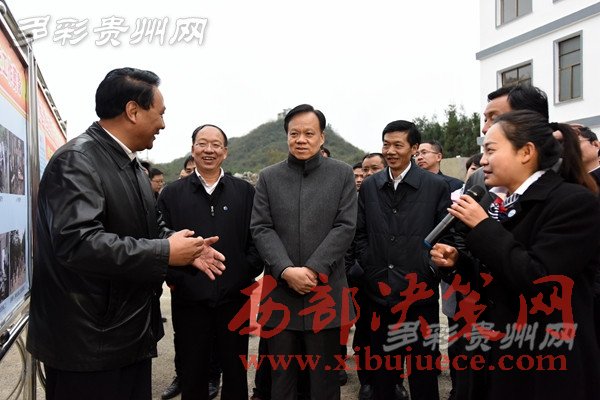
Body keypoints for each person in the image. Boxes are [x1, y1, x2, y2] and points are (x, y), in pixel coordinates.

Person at [26, 67, 226, 400]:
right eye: (160, 113)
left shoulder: (131, 165)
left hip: (125, 336)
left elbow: (149, 227)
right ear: (133, 111)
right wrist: (165, 252)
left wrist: (185, 247)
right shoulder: (77, 161)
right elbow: (78, 243)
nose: (163, 124)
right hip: (88, 346)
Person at [430, 110, 600, 400]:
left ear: (526, 152)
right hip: (497, 352)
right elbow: (499, 275)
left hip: (545, 360)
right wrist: (459, 263)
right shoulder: (505, 203)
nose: (483, 161)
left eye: (491, 150)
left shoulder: (573, 202)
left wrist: (483, 227)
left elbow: (540, 280)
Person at [251, 104, 357, 400]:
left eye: (309, 133)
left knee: (324, 383)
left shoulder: (342, 174)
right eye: (294, 133)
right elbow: (261, 227)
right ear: (286, 136)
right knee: (282, 381)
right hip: (280, 295)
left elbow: (345, 226)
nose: (301, 139)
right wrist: (286, 270)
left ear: (322, 137)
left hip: (324, 292)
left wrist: (312, 270)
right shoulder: (269, 177)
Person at [158, 124, 263, 400]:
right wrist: (180, 280)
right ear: (193, 149)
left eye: (216, 145)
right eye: (202, 143)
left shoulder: (245, 192)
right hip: (190, 299)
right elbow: (160, 239)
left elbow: (257, 239)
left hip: (235, 299)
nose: (209, 150)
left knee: (235, 371)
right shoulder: (172, 194)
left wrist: (242, 274)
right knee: (193, 372)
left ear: (225, 152)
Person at [355, 120, 450, 400]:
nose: (390, 151)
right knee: (383, 373)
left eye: (398, 145)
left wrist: (429, 269)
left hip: (419, 294)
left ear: (414, 148)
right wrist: (370, 267)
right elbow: (359, 233)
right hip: (379, 294)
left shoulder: (435, 186)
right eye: (386, 144)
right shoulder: (370, 186)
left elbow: (445, 236)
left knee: (423, 373)